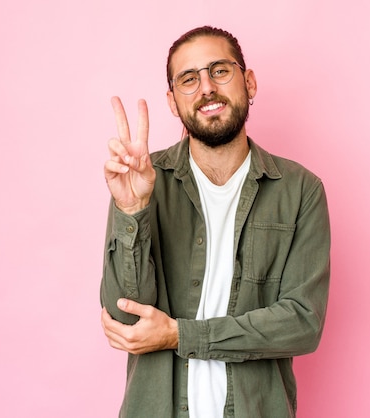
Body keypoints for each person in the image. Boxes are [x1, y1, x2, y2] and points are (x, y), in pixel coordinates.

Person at [100, 25, 331, 418]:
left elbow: (301, 323)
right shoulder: (142, 179)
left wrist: (181, 335)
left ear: (249, 82)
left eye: (219, 70)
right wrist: (133, 210)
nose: (206, 87)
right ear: (173, 103)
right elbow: (126, 320)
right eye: (189, 79)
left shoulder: (300, 190)